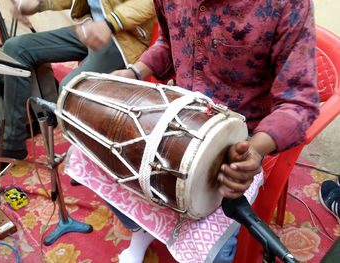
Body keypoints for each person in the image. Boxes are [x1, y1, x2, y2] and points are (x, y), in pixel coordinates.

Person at [102, 0, 320, 262]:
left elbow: (298, 101)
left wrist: (253, 149)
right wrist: (134, 72)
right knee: (108, 162)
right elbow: (169, 44)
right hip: (180, 111)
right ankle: (142, 229)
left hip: (241, 133)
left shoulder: (288, 4)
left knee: (211, 250)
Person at [0, 0, 156, 173]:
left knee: (69, 90)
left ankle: (95, 163)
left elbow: (151, 3)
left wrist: (109, 24)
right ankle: (13, 144)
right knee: (15, 48)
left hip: (125, 38)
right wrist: (40, 4)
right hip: (90, 28)